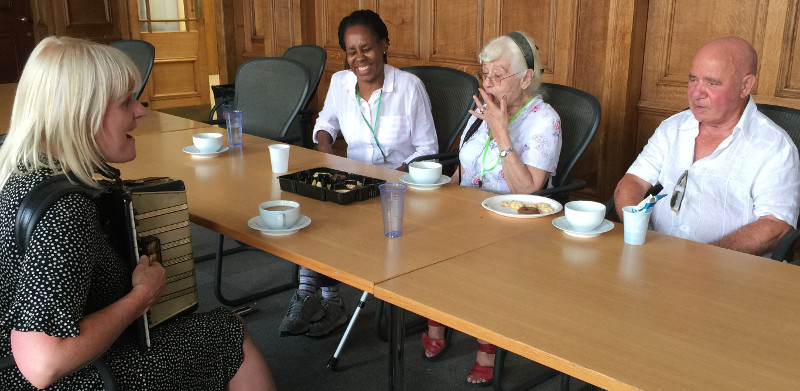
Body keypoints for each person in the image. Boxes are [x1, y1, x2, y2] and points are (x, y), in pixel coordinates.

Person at [0, 37, 276, 391]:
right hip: (68, 380)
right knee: (226, 330)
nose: (140, 110)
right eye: (125, 101)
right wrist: (140, 298)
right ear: (83, 114)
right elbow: (42, 362)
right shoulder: (64, 210)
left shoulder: (20, 170)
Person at [279, 9, 438, 338]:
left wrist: (394, 177)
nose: (359, 58)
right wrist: (324, 147)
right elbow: (325, 124)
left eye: (366, 48)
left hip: (396, 189)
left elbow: (428, 149)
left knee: (330, 219)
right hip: (351, 183)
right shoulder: (340, 83)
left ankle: (322, 299)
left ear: (384, 45)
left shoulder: (409, 87)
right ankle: (320, 297)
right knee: (311, 210)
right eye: (351, 51)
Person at [422, 32, 562, 387]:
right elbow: (464, 169)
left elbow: (529, 190)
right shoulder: (482, 107)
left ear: (526, 78)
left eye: (498, 77)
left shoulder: (545, 120)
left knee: (480, 254)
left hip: (514, 225)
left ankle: (488, 346)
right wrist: (438, 197)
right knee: (422, 233)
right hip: (468, 214)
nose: (488, 84)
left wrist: (500, 132)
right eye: (484, 75)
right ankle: (436, 315)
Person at [614, 36, 800, 256]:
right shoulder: (672, 128)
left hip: (729, 274)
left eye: (711, 83)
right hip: (654, 256)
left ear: (745, 85)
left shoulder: (774, 147)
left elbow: (775, 226)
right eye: (693, 80)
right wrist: (636, 229)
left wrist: (704, 258)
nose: (695, 93)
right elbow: (633, 181)